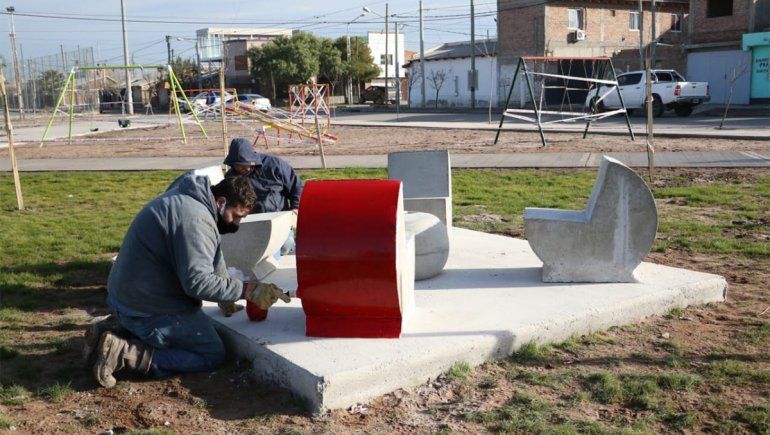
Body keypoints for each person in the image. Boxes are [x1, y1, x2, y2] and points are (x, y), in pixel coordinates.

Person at [90, 175, 290, 388]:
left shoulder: (191, 201)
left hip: (129, 296)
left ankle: (113, 332)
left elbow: (213, 256)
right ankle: (125, 354)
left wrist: (226, 296)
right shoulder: (195, 220)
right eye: (236, 216)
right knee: (211, 352)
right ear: (221, 202)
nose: (236, 223)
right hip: (146, 306)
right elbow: (197, 282)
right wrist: (247, 290)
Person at [223, 138, 303, 214]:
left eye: (247, 164)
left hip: (279, 215)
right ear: (233, 164)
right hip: (251, 219)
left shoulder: (274, 164)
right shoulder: (231, 178)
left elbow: (296, 186)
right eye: (241, 166)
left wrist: (295, 207)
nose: (246, 168)